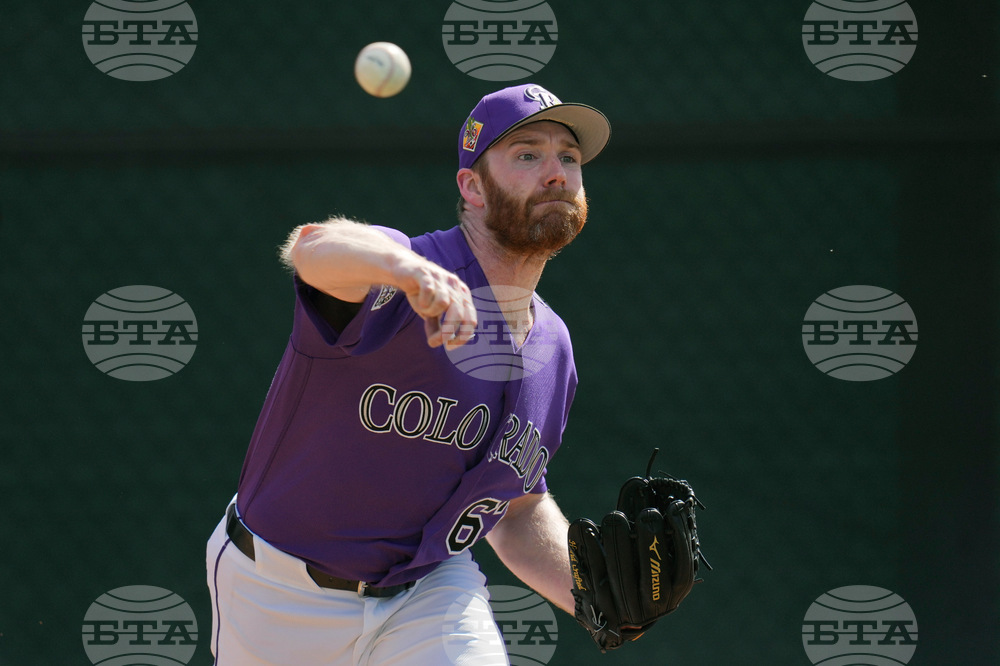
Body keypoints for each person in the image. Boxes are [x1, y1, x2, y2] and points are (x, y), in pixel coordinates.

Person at [206, 82, 612, 665]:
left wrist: (597, 596)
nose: (556, 173)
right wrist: (403, 269)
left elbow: (516, 507)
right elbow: (313, 248)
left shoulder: (554, 347)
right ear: (472, 187)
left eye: (568, 158)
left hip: (428, 592)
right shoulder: (401, 270)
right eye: (527, 154)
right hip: (278, 591)